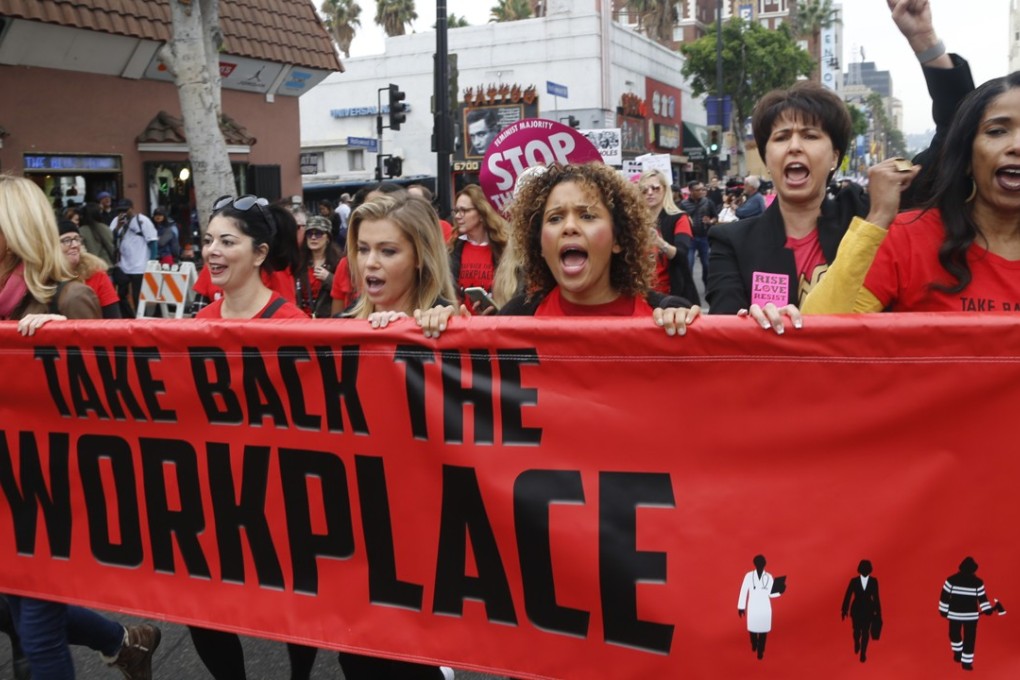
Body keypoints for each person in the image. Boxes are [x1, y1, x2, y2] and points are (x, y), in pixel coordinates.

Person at [707, 1, 974, 331]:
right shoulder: (729, 241)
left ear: (835, 156)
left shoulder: (870, 211)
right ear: (766, 157)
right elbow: (721, 335)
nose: (794, 146)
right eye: (780, 138)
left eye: (809, 135)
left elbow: (960, 134)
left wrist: (924, 39)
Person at [0, 174, 161, 680]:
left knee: (38, 632)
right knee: (17, 613)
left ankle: (124, 641)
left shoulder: (67, 299)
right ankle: (124, 641)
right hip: (6, 480)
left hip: (52, 490)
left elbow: (114, 401)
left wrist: (65, 347)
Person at [190, 194, 315, 679]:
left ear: (260, 253)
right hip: (214, 494)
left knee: (295, 604)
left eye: (227, 241)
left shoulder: (296, 327)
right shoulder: (196, 327)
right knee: (201, 604)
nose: (212, 252)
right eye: (207, 241)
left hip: (281, 494)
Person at [802, 72, 1020, 314]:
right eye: (997, 131)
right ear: (967, 156)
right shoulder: (908, 238)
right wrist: (877, 218)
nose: (1016, 146)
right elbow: (819, 327)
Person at [418, 163, 699, 338]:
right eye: (554, 218)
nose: (569, 227)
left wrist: (687, 330)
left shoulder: (665, 315)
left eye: (587, 216)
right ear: (539, 243)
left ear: (618, 238)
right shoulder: (516, 317)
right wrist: (449, 332)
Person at [637, 169, 700, 305]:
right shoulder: (636, 220)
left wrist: (660, 243)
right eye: (644, 189)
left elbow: (682, 255)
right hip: (642, 295)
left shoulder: (679, 218)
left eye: (655, 188)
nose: (649, 193)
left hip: (672, 296)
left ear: (665, 190)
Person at [449, 184, 509, 306]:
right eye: (456, 211)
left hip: (493, 323)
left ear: (481, 213)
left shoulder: (503, 248)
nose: (457, 216)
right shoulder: (453, 249)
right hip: (460, 322)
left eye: (464, 210)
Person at [939, 557, 1001, 671]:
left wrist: (943, 610)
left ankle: (960, 656)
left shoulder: (952, 580)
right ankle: (965, 661)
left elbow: (944, 597)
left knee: (955, 635)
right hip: (969, 616)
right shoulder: (976, 582)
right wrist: (987, 609)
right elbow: (982, 599)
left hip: (956, 615)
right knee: (969, 639)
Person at [58, 219, 121, 318]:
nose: (74, 245)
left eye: (77, 239)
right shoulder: (44, 278)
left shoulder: (95, 273)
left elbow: (114, 320)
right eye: (67, 240)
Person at [109, 198, 157, 317]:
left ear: (132, 209)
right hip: (122, 265)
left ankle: (141, 317)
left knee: (138, 296)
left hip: (139, 266)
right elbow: (110, 239)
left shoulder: (143, 221)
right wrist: (118, 226)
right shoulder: (116, 221)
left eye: (126, 210)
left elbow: (153, 241)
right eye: (120, 210)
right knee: (121, 294)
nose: (123, 213)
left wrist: (152, 262)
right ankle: (128, 316)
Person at [737, 554, 784, 661]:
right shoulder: (749, 576)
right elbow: (744, 590)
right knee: (753, 631)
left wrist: (780, 590)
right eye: (759, 563)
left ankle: (760, 650)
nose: (760, 565)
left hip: (764, 607)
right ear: (755, 564)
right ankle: (754, 644)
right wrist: (741, 607)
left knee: (763, 632)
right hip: (753, 606)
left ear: (764, 564)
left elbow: (772, 594)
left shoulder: (769, 577)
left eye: (762, 563)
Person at [294, 215, 341, 317]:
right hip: (300, 320)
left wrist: (329, 278)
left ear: (328, 237)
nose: (313, 238)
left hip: (326, 322)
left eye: (318, 234)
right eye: (309, 234)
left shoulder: (337, 263)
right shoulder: (299, 262)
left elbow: (346, 291)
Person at [841, 559, 882, 663]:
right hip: (857, 610)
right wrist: (844, 610)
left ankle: (863, 652)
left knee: (865, 632)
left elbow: (876, 597)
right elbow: (848, 595)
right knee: (856, 630)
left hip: (868, 610)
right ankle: (856, 642)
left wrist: (878, 613)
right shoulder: (854, 581)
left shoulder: (874, 581)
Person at [680, 180, 717, 286]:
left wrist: (710, 221)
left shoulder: (708, 202)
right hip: (690, 238)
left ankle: (707, 285)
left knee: (706, 264)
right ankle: (689, 288)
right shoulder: (683, 204)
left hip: (704, 238)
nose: (701, 191)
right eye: (698, 190)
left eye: (702, 189)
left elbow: (715, 217)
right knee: (689, 264)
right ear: (691, 191)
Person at [79, 202, 118, 267]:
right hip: (106, 265)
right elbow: (111, 248)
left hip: (90, 267)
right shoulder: (105, 228)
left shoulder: (81, 231)